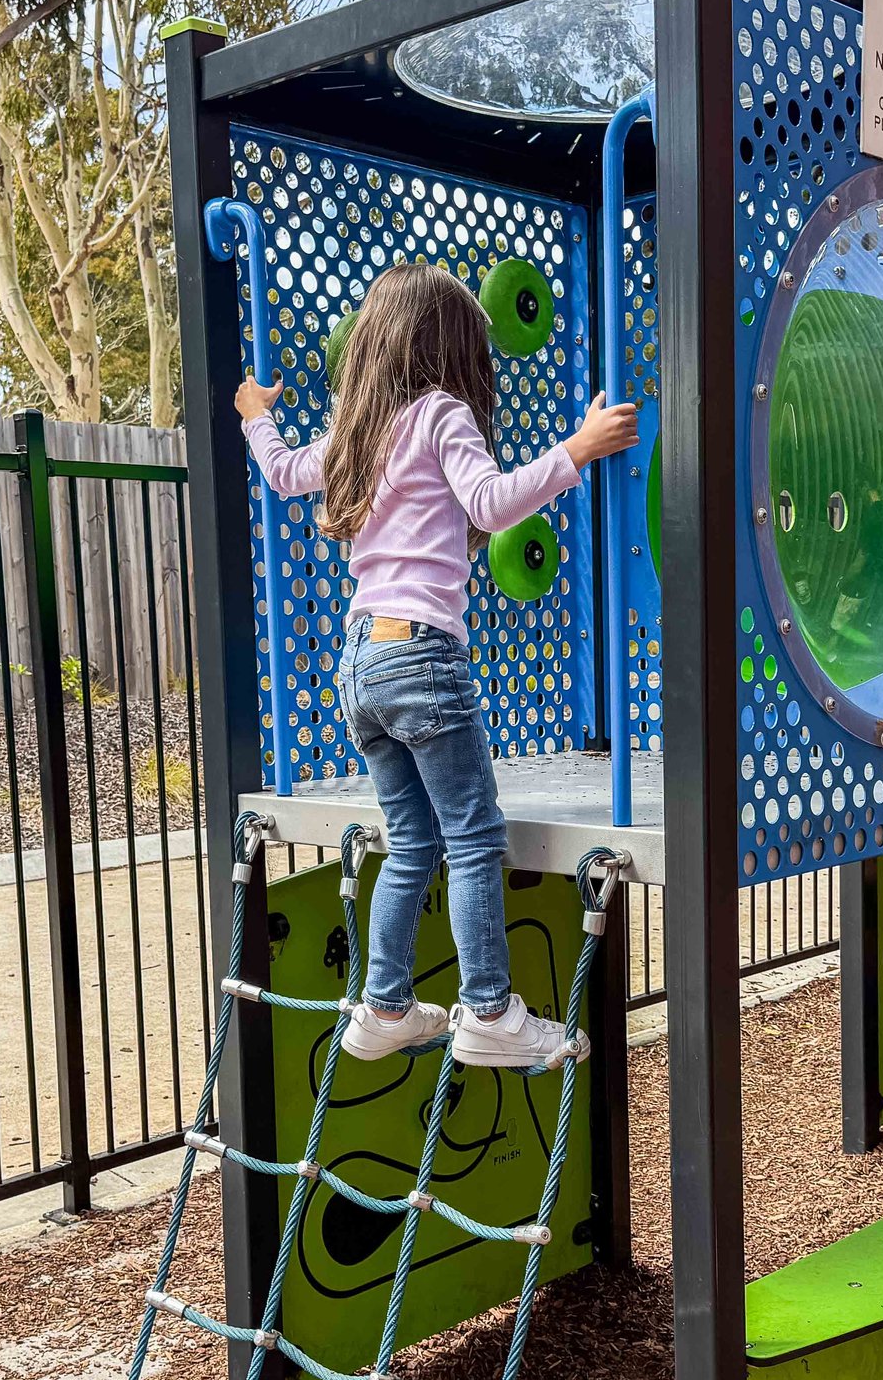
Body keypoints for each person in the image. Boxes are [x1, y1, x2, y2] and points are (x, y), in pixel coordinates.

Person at [236, 261, 638, 1067]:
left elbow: (282, 472)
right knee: (475, 834)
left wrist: (253, 414)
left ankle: (385, 1004)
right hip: (421, 654)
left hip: (359, 664)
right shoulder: (440, 414)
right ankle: (489, 1010)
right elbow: (490, 503)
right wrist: (578, 449)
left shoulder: (360, 425)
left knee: (412, 839)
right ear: (452, 351)